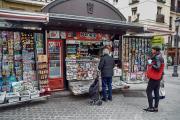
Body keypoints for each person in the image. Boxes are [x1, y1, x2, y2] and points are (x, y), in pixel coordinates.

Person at [143, 45, 164, 112]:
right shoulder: (161, 56)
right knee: (156, 92)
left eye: (152, 50)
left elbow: (158, 68)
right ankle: (155, 107)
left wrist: (151, 65)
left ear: (155, 50)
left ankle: (151, 107)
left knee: (148, 91)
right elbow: (161, 68)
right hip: (158, 77)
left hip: (154, 77)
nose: (151, 51)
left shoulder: (157, 57)